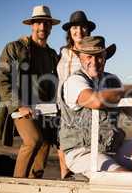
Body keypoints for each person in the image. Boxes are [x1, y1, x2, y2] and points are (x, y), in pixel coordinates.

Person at [0, 5, 60, 178]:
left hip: (45, 110)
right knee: (33, 140)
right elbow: (2, 80)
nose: (42, 27)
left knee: (45, 146)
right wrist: (19, 105)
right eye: (38, 23)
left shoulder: (52, 55)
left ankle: (33, 184)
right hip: (21, 106)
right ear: (32, 25)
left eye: (46, 23)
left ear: (51, 27)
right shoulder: (14, 48)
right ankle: (17, 184)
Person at [58, 36, 130, 178]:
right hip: (82, 151)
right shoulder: (75, 81)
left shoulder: (112, 80)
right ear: (80, 58)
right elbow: (95, 101)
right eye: (89, 57)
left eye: (99, 57)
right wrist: (131, 89)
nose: (94, 62)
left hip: (111, 147)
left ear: (105, 58)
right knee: (126, 178)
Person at [56, 10, 96, 179]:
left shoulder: (92, 52)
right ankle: (66, 184)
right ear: (69, 31)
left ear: (88, 31)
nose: (78, 31)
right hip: (63, 108)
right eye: (74, 27)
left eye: (83, 27)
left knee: (83, 147)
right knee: (61, 148)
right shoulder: (62, 53)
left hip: (83, 107)